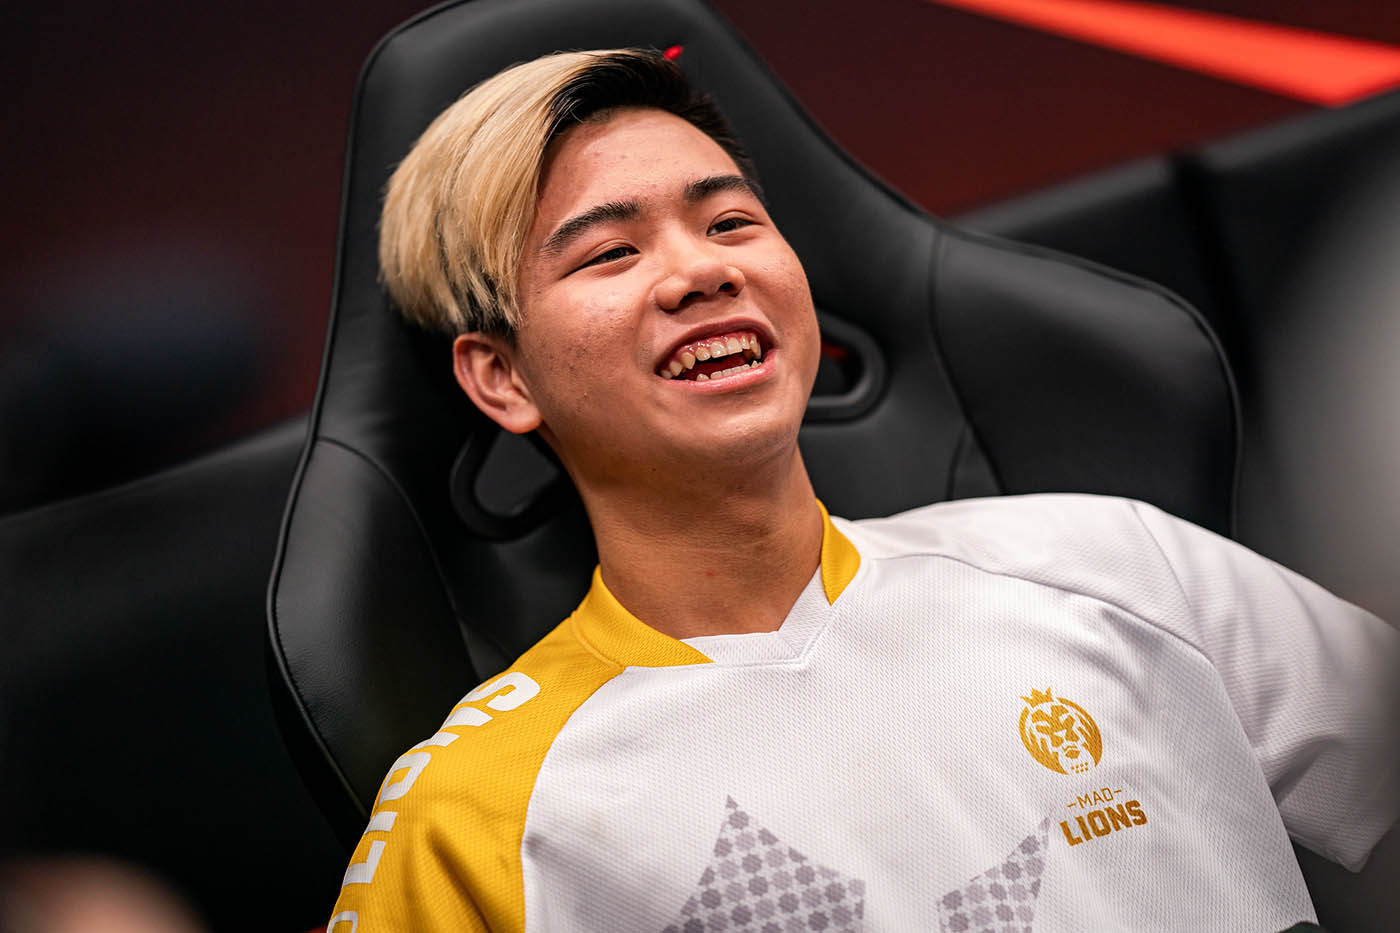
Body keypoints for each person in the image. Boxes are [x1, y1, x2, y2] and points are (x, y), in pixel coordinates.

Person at [327, 49, 1397, 932]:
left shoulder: (1116, 566)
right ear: (502, 379)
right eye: (610, 252)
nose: (702, 270)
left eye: (730, 222)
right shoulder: (475, 818)